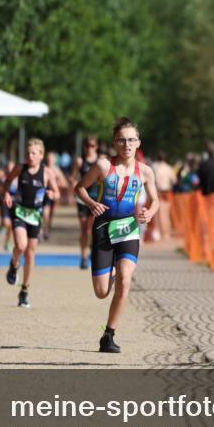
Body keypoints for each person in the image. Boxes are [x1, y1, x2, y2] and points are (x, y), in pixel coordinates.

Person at [74, 117, 159, 354]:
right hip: (103, 229)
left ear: (139, 143)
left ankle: (108, 335)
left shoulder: (145, 171)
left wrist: (149, 213)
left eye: (131, 140)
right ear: (115, 143)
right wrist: (91, 203)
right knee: (101, 292)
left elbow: (156, 200)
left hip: (128, 229)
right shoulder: (103, 166)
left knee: (125, 280)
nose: (127, 145)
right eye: (122, 140)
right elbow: (79, 187)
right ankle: (109, 271)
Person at [0, 139, 60, 308]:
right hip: (19, 211)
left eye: (34, 153)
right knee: (20, 245)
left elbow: (57, 193)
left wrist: (51, 193)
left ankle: (24, 290)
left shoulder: (47, 173)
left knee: (30, 253)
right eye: (28, 153)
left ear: (41, 155)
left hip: (35, 215)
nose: (30, 156)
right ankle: (13, 265)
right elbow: (6, 182)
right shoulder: (20, 168)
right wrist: (5, 194)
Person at [71, 136, 101, 269]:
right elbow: (72, 177)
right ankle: (83, 257)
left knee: (93, 229)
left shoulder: (100, 161)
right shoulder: (80, 161)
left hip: (96, 200)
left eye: (92, 145)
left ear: (97, 147)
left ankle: (93, 251)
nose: (90, 148)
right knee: (84, 229)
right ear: (84, 147)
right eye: (88, 145)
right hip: (83, 200)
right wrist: (73, 185)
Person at [148, 151, 177, 242]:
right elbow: (174, 180)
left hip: (157, 191)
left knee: (157, 213)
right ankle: (166, 234)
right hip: (167, 191)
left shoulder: (154, 166)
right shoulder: (168, 168)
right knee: (166, 213)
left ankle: (158, 232)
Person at [42, 151, 69, 241]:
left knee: (50, 215)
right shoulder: (43, 169)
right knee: (45, 213)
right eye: (48, 158)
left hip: (54, 195)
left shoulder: (57, 170)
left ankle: (47, 229)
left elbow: (65, 184)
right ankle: (44, 231)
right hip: (45, 194)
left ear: (54, 160)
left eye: (52, 158)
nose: (50, 160)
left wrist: (57, 183)